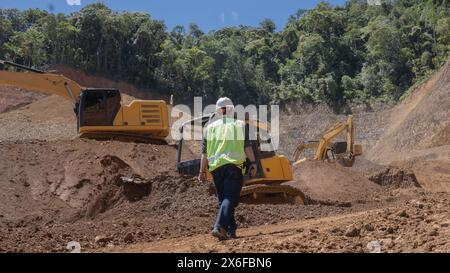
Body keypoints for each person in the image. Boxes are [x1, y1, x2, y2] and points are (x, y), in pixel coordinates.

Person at [198, 97, 257, 240]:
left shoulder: (209, 128)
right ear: (232, 109)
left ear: (217, 111)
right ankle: (219, 227)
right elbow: (247, 147)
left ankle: (230, 230)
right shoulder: (240, 125)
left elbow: (204, 154)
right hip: (233, 167)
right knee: (230, 199)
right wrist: (254, 163)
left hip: (216, 169)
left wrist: (201, 171)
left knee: (224, 200)